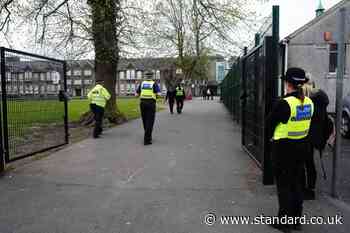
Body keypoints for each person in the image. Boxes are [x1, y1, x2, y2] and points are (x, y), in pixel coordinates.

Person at [269, 67, 314, 232]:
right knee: (297, 184)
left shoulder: (284, 103)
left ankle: (284, 222)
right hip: (302, 147)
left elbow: (269, 124)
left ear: (288, 83)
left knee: (284, 186)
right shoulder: (309, 102)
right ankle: (296, 220)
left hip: (283, 149)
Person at [301, 76, 330, 200]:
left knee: (305, 163)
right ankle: (310, 189)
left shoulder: (310, 101)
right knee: (309, 163)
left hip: (307, 136)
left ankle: (306, 190)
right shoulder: (320, 99)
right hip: (315, 137)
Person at [136, 71, 161, 145]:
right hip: (151, 103)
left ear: (145, 76)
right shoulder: (154, 84)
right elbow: (159, 94)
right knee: (150, 121)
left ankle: (148, 135)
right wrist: (156, 96)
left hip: (142, 103)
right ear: (151, 77)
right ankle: (147, 140)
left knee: (145, 120)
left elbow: (136, 94)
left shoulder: (142, 83)